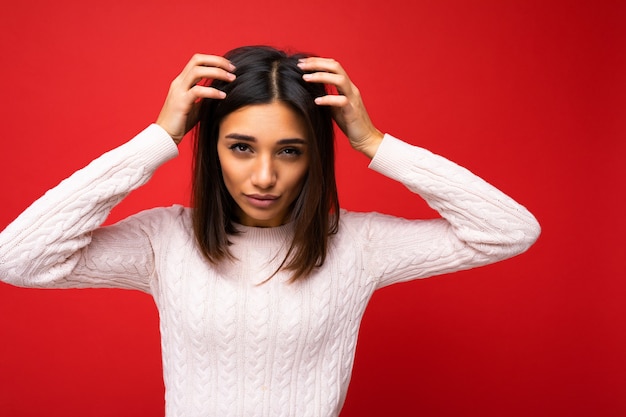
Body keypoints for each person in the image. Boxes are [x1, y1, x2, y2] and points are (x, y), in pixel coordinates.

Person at [0, 46, 540, 417]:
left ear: (315, 158)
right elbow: (18, 259)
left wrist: (375, 142)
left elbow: (509, 230)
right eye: (241, 147)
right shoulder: (163, 241)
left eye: (289, 150)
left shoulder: (358, 245)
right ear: (210, 148)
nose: (264, 177)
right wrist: (158, 137)